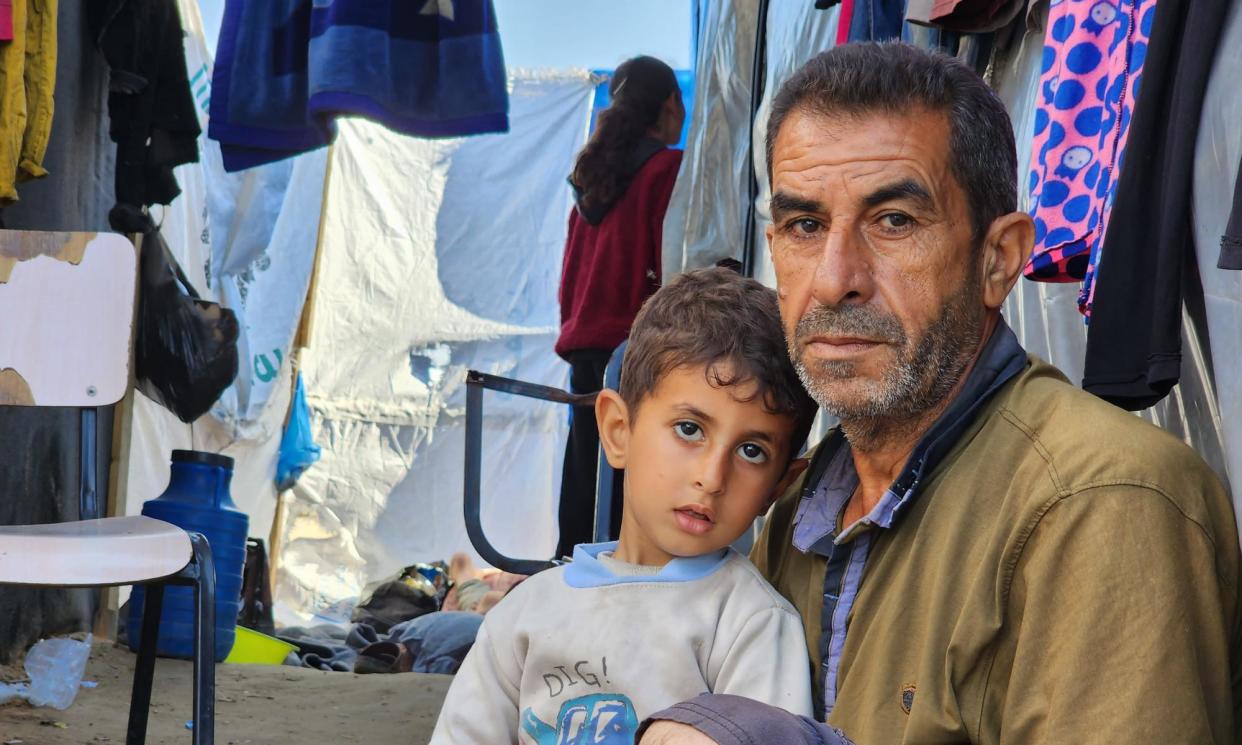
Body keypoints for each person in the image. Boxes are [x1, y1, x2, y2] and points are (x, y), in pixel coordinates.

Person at [639, 42, 1242, 744]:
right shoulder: (805, 504)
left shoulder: (1103, 503)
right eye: (805, 225)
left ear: (999, 259)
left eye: (893, 221)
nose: (835, 279)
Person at [431, 268, 820, 744]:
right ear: (618, 430)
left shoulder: (750, 624)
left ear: (779, 485)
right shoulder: (527, 613)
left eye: (752, 451)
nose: (712, 477)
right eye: (690, 429)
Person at [555, 55, 686, 559]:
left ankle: (570, 598)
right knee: (625, 512)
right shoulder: (665, 171)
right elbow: (673, 261)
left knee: (586, 499)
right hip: (634, 354)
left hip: (585, 356)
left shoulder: (591, 187)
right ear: (671, 105)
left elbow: (568, 287)